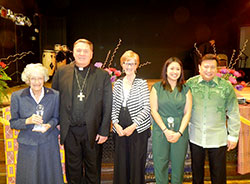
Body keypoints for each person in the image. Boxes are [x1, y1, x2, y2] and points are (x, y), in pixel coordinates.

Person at [52, 38, 112, 184]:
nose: (82, 54)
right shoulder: (61, 72)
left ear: (91, 54)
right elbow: (54, 99)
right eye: (78, 50)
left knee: (93, 169)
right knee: (73, 170)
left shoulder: (102, 75)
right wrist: (57, 122)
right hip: (70, 130)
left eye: (86, 51)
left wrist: (104, 130)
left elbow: (107, 104)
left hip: (92, 131)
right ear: (73, 53)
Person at [186, 54, 241, 184]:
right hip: (195, 135)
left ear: (217, 69)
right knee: (197, 175)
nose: (209, 70)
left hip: (217, 137)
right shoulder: (190, 84)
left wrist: (233, 135)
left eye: (212, 67)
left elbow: (233, 111)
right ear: (199, 68)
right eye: (206, 67)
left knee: (219, 176)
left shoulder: (226, 87)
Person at [9, 63, 64, 184]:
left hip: (49, 142)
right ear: (27, 80)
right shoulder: (17, 96)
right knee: (29, 178)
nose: (37, 82)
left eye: (40, 78)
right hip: (28, 144)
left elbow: (57, 118)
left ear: (44, 79)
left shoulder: (55, 95)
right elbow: (13, 123)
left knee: (50, 177)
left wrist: (49, 125)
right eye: (33, 78)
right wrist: (27, 121)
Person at [150, 57, 192, 184]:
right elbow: (154, 110)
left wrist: (179, 132)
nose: (175, 71)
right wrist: (165, 130)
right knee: (160, 164)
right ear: (166, 70)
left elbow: (188, 112)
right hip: (161, 130)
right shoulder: (156, 87)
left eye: (178, 69)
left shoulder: (186, 89)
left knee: (178, 165)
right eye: (172, 68)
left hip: (180, 130)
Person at [111, 50, 151, 184]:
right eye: (126, 63)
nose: (129, 66)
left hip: (138, 130)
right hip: (120, 129)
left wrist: (133, 126)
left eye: (132, 64)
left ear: (137, 66)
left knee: (136, 165)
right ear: (122, 64)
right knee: (121, 164)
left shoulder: (142, 83)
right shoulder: (117, 83)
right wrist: (115, 124)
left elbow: (147, 107)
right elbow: (114, 107)